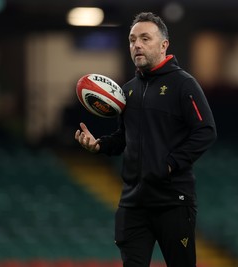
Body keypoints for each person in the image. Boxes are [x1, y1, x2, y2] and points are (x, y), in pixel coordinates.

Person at [75, 12, 217, 267]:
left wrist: (170, 164)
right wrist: (99, 145)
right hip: (133, 203)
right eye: (132, 40)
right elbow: (123, 138)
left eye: (145, 38)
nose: (137, 45)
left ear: (164, 45)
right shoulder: (127, 90)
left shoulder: (184, 84)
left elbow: (206, 131)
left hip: (172, 201)